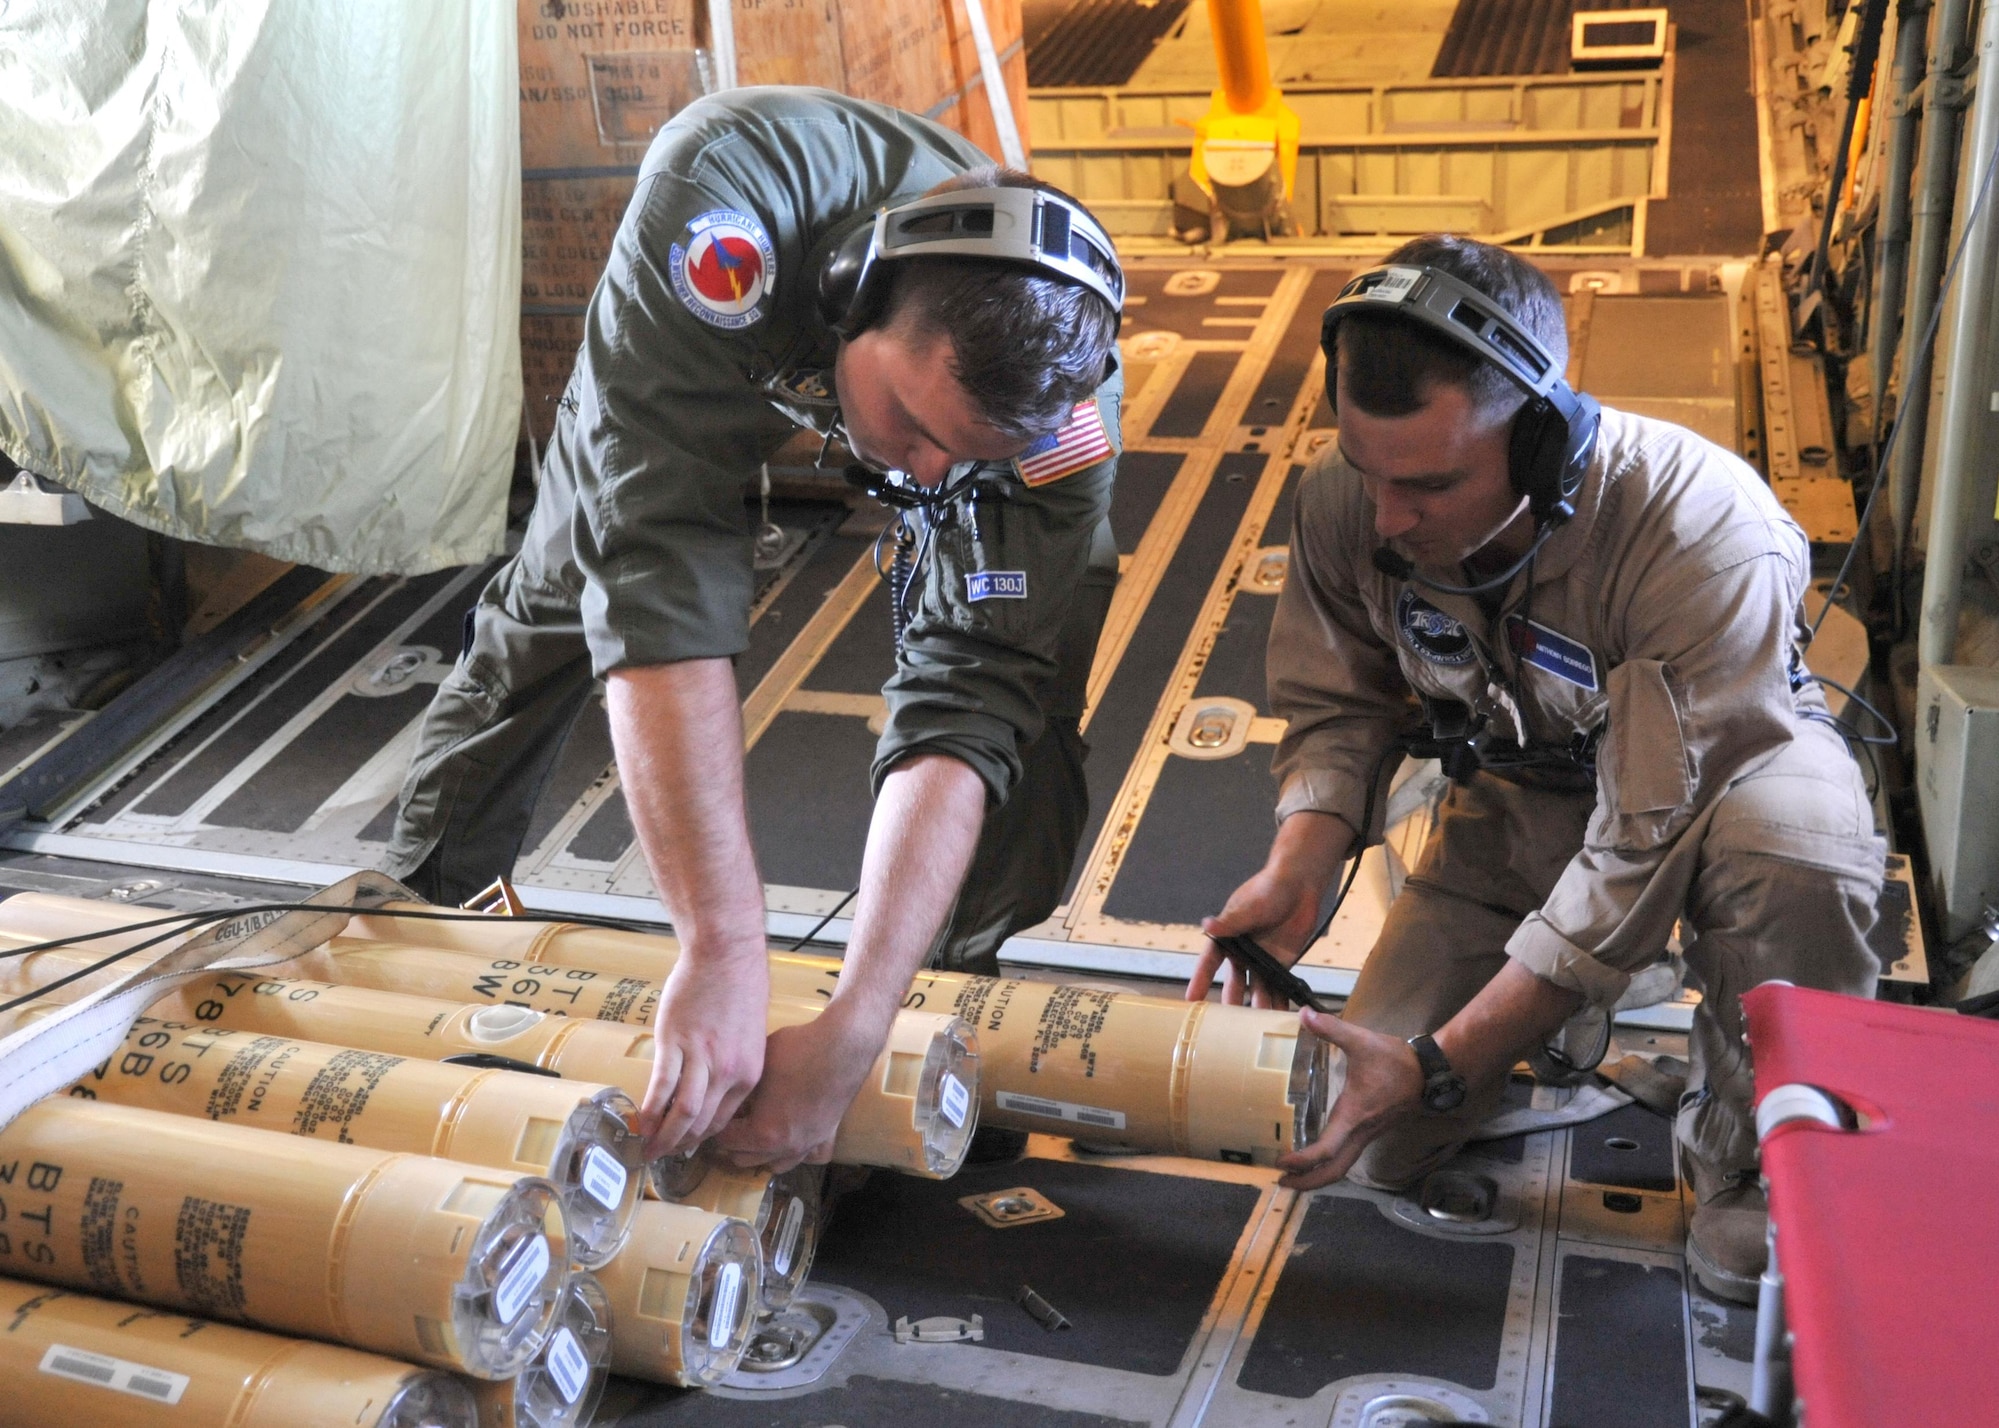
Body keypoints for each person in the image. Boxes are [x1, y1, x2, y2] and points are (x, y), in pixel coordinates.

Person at [384, 88, 1124, 1172]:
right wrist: (722, 947)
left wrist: (858, 1023)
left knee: (1026, 691)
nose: (917, 476)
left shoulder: (1059, 433)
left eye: (959, 456)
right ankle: (425, 912)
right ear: (851, 304)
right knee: (557, 598)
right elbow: (658, 568)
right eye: (910, 428)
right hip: (704, 360)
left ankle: (954, 996)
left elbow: (972, 692)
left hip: (931, 399)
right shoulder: (720, 213)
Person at [1190, 235, 1884, 1305]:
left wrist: (1440, 1060)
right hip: (1524, 794)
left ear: (1542, 443)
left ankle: (1749, 1167)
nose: (1384, 520)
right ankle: (1546, 1008)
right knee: (1371, 1141)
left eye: (1426, 482)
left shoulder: (1699, 532)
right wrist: (1299, 861)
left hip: (1725, 780)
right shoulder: (1354, 497)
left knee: (1790, 853)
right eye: (1365, 472)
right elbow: (1338, 708)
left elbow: (1642, 838)